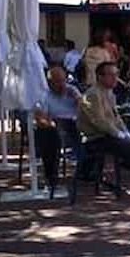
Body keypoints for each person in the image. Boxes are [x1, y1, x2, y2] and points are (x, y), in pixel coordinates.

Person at [78, 62, 130, 178]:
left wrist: (126, 133)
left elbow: (116, 117)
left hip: (108, 135)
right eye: (111, 75)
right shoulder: (93, 94)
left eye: (116, 74)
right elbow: (99, 121)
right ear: (100, 77)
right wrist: (118, 134)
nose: (115, 78)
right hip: (96, 137)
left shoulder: (109, 93)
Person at [32, 65, 82, 193]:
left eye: (63, 80)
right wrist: (50, 123)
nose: (62, 84)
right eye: (58, 82)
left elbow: (86, 111)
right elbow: (40, 118)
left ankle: (88, 171)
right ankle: (51, 176)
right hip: (54, 124)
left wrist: (77, 100)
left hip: (75, 123)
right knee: (49, 135)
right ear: (50, 83)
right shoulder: (44, 95)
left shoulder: (72, 90)